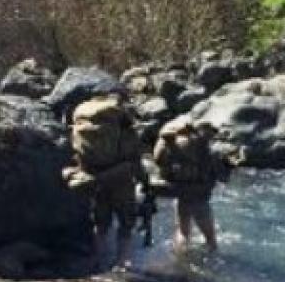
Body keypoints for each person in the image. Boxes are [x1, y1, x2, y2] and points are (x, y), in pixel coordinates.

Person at [64, 96, 149, 267]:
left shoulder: (82, 127)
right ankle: (122, 261)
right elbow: (134, 159)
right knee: (126, 222)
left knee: (101, 221)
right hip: (121, 181)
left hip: (94, 178)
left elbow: (75, 153)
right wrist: (144, 181)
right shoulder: (125, 132)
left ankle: (98, 259)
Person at [152, 118, 231, 251]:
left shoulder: (179, 145)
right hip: (200, 198)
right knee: (210, 238)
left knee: (183, 232)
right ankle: (211, 262)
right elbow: (223, 178)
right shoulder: (209, 152)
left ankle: (179, 258)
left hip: (181, 194)